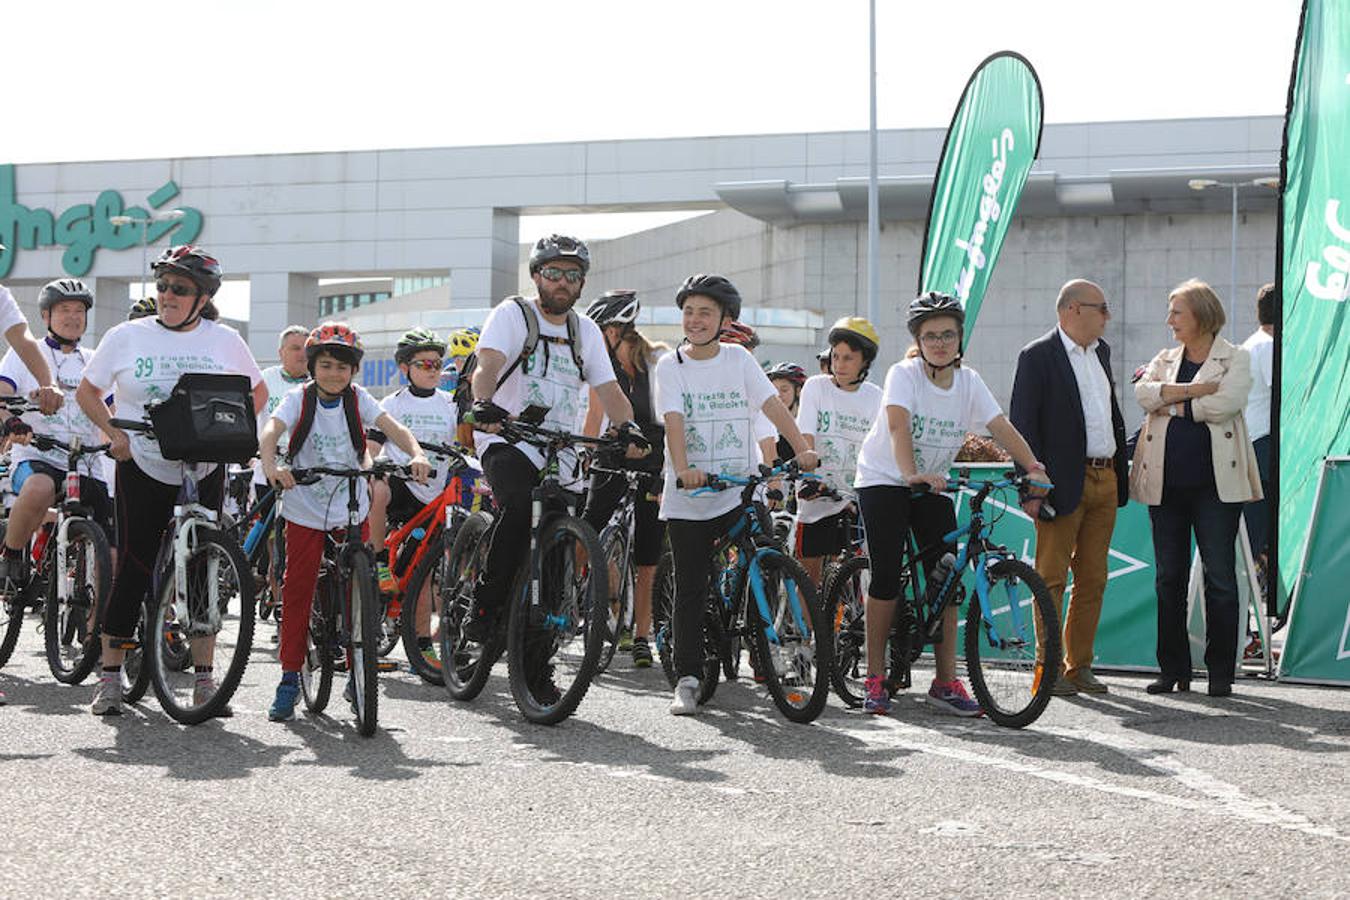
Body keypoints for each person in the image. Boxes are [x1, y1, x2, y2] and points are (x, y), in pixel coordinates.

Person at [76, 245, 266, 717]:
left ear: (202, 298)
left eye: (179, 289)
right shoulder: (127, 336)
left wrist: (231, 431)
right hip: (142, 458)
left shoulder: (224, 340)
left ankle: (205, 682)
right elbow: (87, 391)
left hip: (204, 463)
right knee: (135, 564)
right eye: (161, 286)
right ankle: (111, 676)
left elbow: (256, 392)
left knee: (203, 568)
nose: (167, 294)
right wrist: (113, 431)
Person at [464, 234, 646, 703]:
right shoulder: (513, 315)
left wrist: (629, 428)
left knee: (559, 550)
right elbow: (488, 365)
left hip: (562, 448)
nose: (561, 283)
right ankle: (483, 609)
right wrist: (484, 402)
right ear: (536, 276)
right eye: (553, 273)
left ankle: (536, 668)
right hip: (506, 437)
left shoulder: (584, 330)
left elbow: (608, 389)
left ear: (582, 283)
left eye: (571, 275)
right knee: (521, 502)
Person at [854, 292, 1049, 717]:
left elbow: (1000, 426)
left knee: (946, 578)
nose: (939, 342)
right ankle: (873, 676)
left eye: (947, 334)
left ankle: (945, 683)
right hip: (885, 478)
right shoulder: (904, 374)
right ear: (918, 341)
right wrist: (909, 475)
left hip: (933, 483)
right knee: (886, 574)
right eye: (930, 336)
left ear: (960, 338)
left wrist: (1032, 465)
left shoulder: (969, 382)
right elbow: (897, 424)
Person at [655, 274, 818, 715]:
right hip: (691, 493)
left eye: (705, 312)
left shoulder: (738, 360)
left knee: (767, 553)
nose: (695, 320)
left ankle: (763, 649)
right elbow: (673, 420)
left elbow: (772, 406)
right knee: (692, 586)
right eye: (689, 312)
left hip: (737, 488)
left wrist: (802, 449)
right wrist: (684, 469)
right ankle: (687, 678)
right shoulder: (671, 365)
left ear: (725, 318)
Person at [259, 322, 431, 721]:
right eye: (325, 365)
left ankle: (358, 674)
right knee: (299, 588)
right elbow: (271, 430)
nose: (333, 374)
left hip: (349, 506)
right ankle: (288, 677)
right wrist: (272, 465)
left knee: (361, 584)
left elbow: (395, 429)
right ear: (313, 366)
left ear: (353, 370)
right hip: (304, 506)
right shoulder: (300, 400)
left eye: (342, 367)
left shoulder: (358, 399)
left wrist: (417, 454)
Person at [1132, 279, 1261, 698]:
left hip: (1215, 489)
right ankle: (1172, 670)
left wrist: (1174, 404)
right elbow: (1142, 394)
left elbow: (1228, 403)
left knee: (1220, 578)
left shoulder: (1236, 357)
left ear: (1202, 316)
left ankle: (1221, 672)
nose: (1169, 321)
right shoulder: (1165, 357)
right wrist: (1193, 392)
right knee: (1167, 578)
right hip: (1166, 487)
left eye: (1177, 313)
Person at [1008, 279, 1129, 696]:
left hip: (1105, 477)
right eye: (1102, 307)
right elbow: (1023, 424)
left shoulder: (1102, 352)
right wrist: (1032, 486)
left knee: (1094, 577)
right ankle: (1048, 668)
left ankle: (1080, 666)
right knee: (1051, 577)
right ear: (1073, 309)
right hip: (1060, 483)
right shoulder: (1037, 356)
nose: (1108, 316)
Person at [0, 280, 113, 601]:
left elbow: (113, 410)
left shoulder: (95, 360)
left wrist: (124, 437)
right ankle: (10, 556)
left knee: (110, 546)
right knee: (40, 488)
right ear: (46, 316)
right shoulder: (24, 353)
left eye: (80, 311)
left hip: (86, 461)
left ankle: (97, 640)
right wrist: (13, 421)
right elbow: (3, 395)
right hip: (38, 455)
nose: (73, 317)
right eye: (65, 310)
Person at [580, 290, 668, 669]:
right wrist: (583, 454)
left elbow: (669, 415)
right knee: (588, 527)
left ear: (616, 329)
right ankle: (583, 595)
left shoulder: (657, 359)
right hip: (612, 449)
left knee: (648, 553)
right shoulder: (600, 363)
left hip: (652, 451)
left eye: (601, 330)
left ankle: (643, 636)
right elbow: (594, 413)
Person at [368, 327, 460, 665]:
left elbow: (467, 443)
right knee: (376, 487)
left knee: (423, 575)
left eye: (437, 364)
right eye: (424, 364)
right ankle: (378, 560)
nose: (433, 370)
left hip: (436, 495)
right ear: (405, 368)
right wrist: (378, 461)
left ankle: (422, 645)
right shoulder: (390, 404)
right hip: (401, 485)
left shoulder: (451, 404)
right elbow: (373, 448)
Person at [795, 317, 883, 587]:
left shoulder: (876, 396)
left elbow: (880, 447)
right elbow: (806, 433)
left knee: (853, 576)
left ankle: (843, 627)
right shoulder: (816, 387)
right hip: (818, 493)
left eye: (849, 358)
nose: (840, 364)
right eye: (836, 356)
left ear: (865, 362)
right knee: (810, 576)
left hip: (854, 496)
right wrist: (809, 475)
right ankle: (811, 632)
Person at [1240, 284, 1275, 578]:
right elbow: (1285, 397)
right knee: (1256, 535)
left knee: (1253, 536)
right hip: (1263, 448)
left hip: (1252, 445)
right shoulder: (1269, 346)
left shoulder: (1253, 342)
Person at [765, 362, 807, 464]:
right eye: (774, 390)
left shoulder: (805, 424)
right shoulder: (765, 424)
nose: (778, 395)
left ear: (798, 391)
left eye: (784, 390)